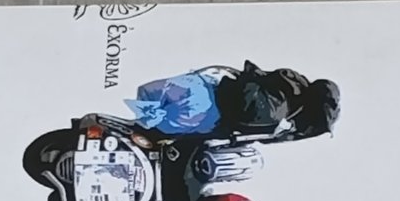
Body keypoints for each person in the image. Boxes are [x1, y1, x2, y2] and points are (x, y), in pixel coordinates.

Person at [126, 61, 340, 141]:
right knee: (149, 130)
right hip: (206, 115)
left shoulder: (289, 82)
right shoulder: (281, 118)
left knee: (143, 97)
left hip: (203, 85)